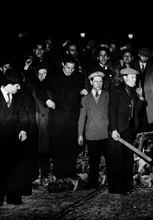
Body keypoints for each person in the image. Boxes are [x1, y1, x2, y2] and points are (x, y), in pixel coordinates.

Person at [37, 54, 85, 182]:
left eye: (73, 68)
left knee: (71, 147)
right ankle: (59, 174)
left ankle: (70, 173)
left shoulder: (79, 77)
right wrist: (47, 100)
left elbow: (81, 93)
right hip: (57, 117)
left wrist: (83, 91)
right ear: (63, 64)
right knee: (58, 147)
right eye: (68, 67)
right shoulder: (53, 76)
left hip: (72, 117)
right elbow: (40, 89)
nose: (70, 71)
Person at [107, 67, 146, 195]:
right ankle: (116, 188)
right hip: (117, 130)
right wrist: (113, 129)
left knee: (127, 159)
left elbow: (137, 112)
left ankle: (127, 186)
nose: (135, 79)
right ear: (124, 78)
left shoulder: (134, 91)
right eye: (132, 77)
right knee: (117, 160)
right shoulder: (116, 90)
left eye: (135, 77)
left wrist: (141, 99)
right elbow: (111, 110)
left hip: (128, 128)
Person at [0, 69, 29, 206]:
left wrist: (23, 130)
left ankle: (13, 197)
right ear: (10, 84)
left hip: (12, 141)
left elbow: (23, 115)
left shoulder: (17, 98)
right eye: (17, 86)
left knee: (14, 170)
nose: (19, 88)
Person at [78, 71, 109, 189]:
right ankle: (92, 183)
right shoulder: (85, 98)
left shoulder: (107, 95)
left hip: (105, 132)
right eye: (96, 81)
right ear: (91, 82)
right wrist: (80, 134)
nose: (98, 84)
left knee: (109, 160)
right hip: (91, 134)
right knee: (94, 161)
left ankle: (112, 182)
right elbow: (82, 117)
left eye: (100, 81)